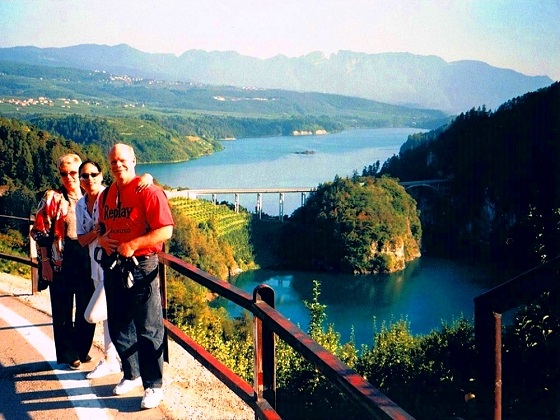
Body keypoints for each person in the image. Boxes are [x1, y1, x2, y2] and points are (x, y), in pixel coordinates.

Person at [97, 143, 174, 410]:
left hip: (141, 264)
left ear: (133, 161)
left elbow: (165, 231)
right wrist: (103, 239)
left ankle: (154, 385)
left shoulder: (149, 192)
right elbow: (102, 225)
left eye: (122, 160)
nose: (118, 165)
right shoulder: (106, 194)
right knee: (118, 323)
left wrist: (134, 244)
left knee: (148, 326)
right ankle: (132, 373)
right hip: (114, 264)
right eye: (113, 162)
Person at [76, 160, 154, 379]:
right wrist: (98, 235)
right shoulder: (80, 205)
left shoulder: (110, 194)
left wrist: (147, 177)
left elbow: (137, 191)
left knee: (98, 313)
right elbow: (82, 240)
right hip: (97, 265)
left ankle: (127, 363)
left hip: (116, 266)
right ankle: (113, 359)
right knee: (108, 316)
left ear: (102, 175)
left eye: (93, 174)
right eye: (84, 176)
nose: (89, 179)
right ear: (80, 181)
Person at [31, 153, 96, 370]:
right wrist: (46, 262)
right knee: (62, 309)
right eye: (63, 173)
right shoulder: (53, 197)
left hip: (87, 257)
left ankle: (82, 349)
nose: (68, 177)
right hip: (61, 258)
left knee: (87, 307)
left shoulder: (92, 197)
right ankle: (69, 354)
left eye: (73, 173)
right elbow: (39, 231)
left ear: (81, 173)